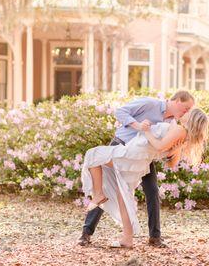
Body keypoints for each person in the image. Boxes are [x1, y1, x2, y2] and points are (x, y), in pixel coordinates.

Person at [77, 90, 195, 247]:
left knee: (152, 190)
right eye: (186, 108)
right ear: (178, 100)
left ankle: (155, 237)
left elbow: (163, 153)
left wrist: (174, 151)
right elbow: (120, 111)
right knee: (107, 186)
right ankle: (86, 233)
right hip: (121, 146)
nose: (186, 112)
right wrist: (138, 125)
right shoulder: (150, 103)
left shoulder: (173, 125)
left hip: (142, 157)